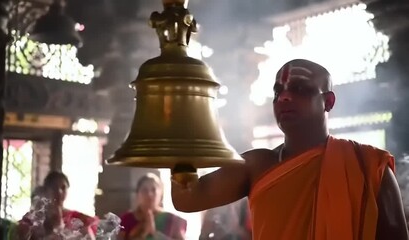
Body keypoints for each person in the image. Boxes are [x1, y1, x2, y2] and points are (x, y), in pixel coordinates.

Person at [171, 59, 409, 239]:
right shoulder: (256, 165)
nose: (284, 97)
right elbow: (188, 199)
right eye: (277, 91)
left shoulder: (368, 165)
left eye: (300, 89)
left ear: (328, 102)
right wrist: (177, 116)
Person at [16, 171, 98, 239]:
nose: (59, 192)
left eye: (63, 188)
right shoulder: (32, 218)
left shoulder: (77, 217)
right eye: (54, 187)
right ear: (46, 189)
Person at [119, 173, 187, 240]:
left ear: (161, 195)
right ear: (137, 195)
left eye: (153, 190)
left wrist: (155, 235)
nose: (149, 194)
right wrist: (143, 234)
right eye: (144, 190)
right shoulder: (126, 219)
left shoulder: (171, 220)